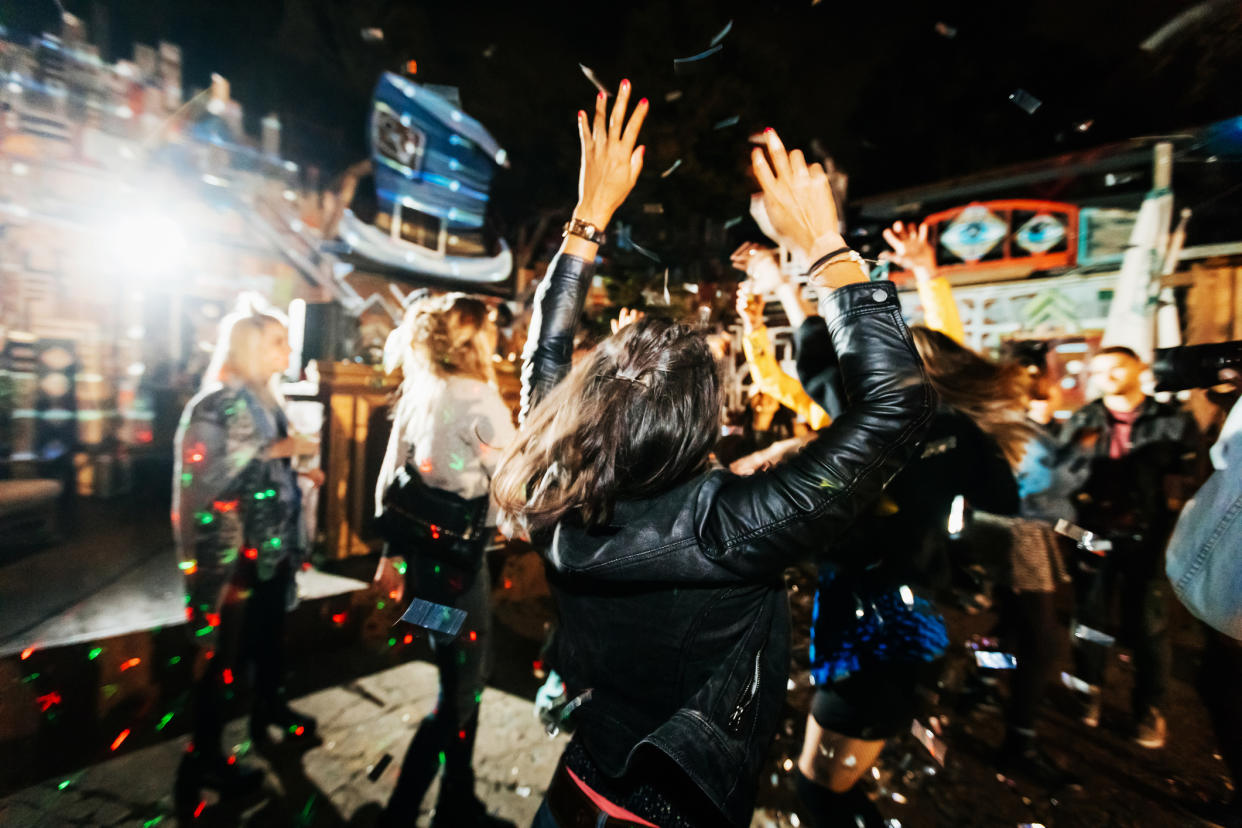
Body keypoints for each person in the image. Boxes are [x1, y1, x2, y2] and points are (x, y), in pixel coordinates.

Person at [492, 82, 934, 828]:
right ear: (704, 420)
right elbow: (897, 408)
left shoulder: (551, 485)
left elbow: (545, 357)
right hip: (679, 802)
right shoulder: (732, 528)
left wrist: (587, 217)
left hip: (582, 785)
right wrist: (824, 247)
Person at [171, 295, 321, 816]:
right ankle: (204, 760)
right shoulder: (216, 403)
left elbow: (259, 471)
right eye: (277, 341)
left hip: (268, 550)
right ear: (253, 347)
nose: (288, 350)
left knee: (266, 642)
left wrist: (297, 472)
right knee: (219, 660)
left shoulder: (264, 398)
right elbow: (209, 477)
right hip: (231, 559)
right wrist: (284, 452)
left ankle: (268, 713)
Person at [372, 292, 517, 828]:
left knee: (455, 678)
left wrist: (390, 555)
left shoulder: (422, 390)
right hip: (460, 572)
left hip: (422, 574)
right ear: (472, 337)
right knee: (465, 685)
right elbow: (513, 482)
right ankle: (409, 807)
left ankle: (458, 796)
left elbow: (392, 480)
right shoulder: (476, 398)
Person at [1058, 345, 1201, 748]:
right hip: (1091, 535)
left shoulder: (1171, 420)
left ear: (1138, 369)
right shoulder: (1083, 419)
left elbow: (1191, 481)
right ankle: (1088, 692)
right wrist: (1071, 536)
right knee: (1090, 618)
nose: (1107, 376)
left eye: (1116, 367)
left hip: (1151, 539)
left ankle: (1149, 710)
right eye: (1099, 370)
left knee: (1148, 625)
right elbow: (1062, 483)